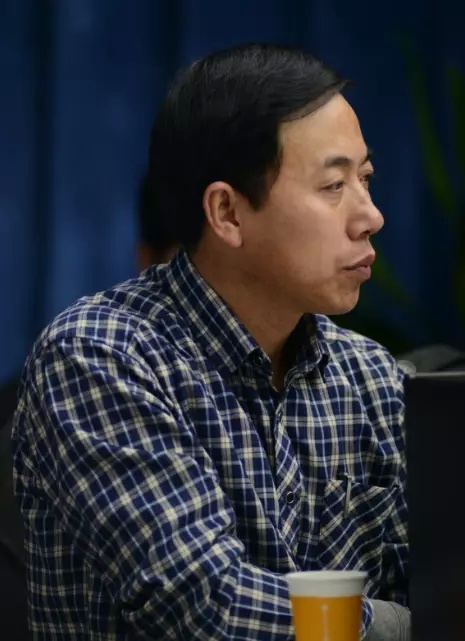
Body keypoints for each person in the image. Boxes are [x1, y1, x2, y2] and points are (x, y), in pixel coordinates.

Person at [12, 43, 410, 640]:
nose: (370, 215)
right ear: (227, 212)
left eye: (366, 179)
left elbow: (430, 579)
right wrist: (396, 628)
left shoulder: (369, 375)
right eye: (333, 185)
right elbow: (205, 605)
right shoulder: (101, 355)